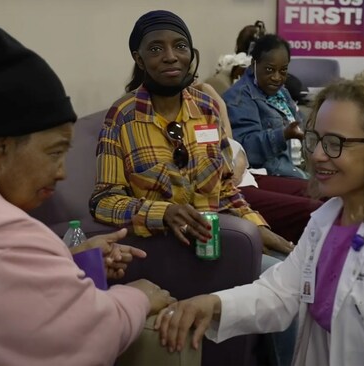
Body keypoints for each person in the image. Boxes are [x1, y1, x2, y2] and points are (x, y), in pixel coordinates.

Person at [0, 24, 176, 365]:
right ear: (0, 148)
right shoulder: (8, 243)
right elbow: (83, 335)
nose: (62, 172)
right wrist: (137, 299)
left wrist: (66, 260)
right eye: (55, 152)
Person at [155, 70, 364, 366]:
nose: (318, 154)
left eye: (336, 143)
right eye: (314, 139)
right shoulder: (329, 218)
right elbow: (281, 293)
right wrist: (210, 304)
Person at [89, 10, 294, 269]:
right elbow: (103, 202)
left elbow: (226, 190)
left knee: (291, 271)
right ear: (139, 60)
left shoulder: (206, 108)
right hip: (160, 251)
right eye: (155, 49)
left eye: (180, 46)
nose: (171, 56)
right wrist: (162, 213)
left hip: (217, 242)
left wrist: (256, 226)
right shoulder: (122, 118)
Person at [194, 81, 322, 255]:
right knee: (316, 210)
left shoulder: (198, 103)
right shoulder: (239, 96)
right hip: (231, 186)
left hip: (245, 175)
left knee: (325, 193)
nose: (276, 77)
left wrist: (214, 99)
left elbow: (230, 146)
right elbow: (221, 175)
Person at [223, 34, 308, 179]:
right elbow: (244, 151)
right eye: (269, 70)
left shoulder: (281, 92)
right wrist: (283, 135)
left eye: (283, 71)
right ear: (253, 64)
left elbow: (300, 125)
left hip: (296, 168)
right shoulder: (239, 98)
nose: (276, 77)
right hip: (270, 176)